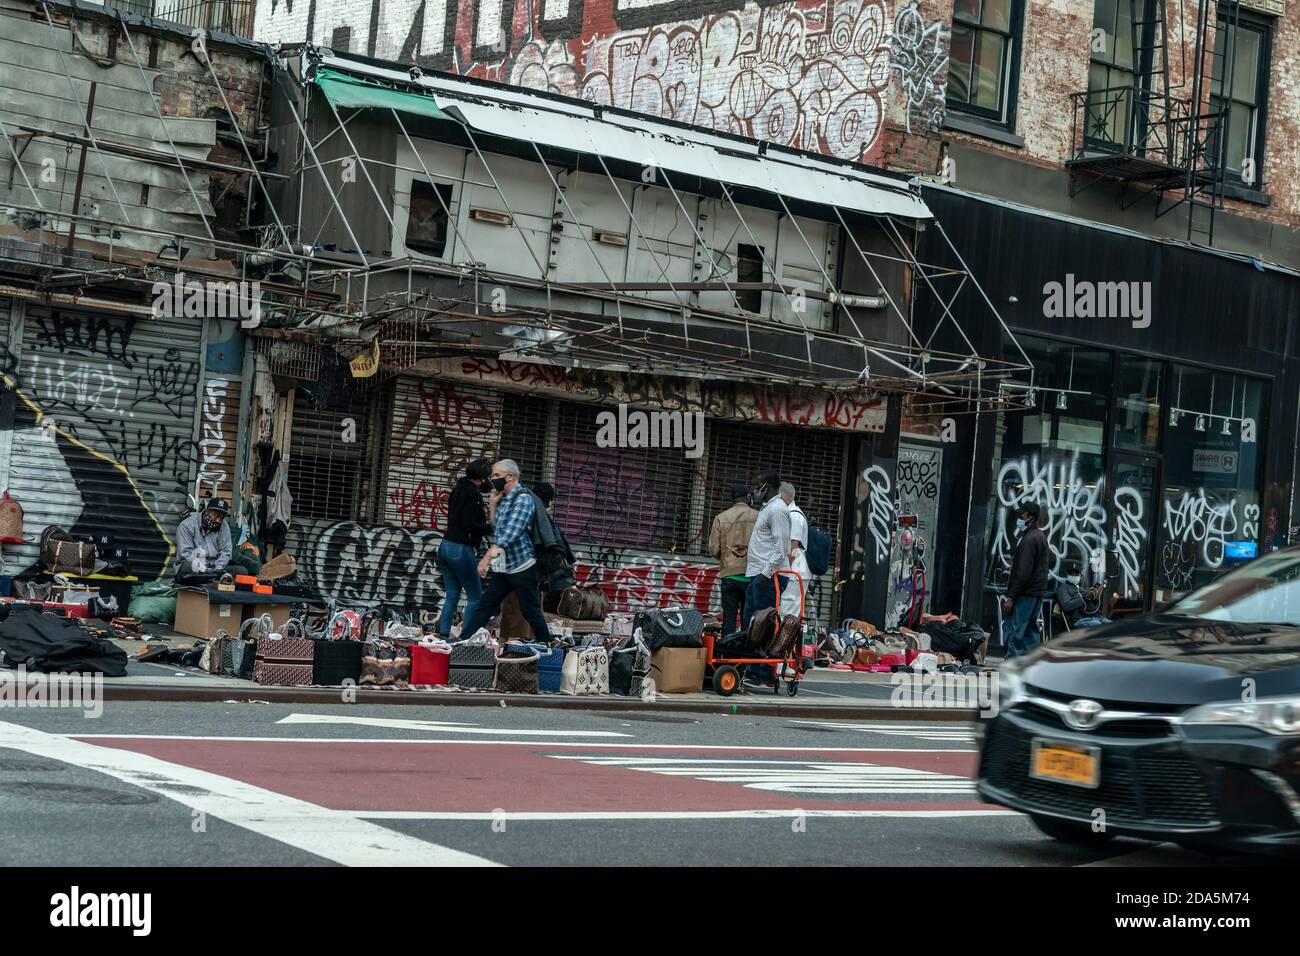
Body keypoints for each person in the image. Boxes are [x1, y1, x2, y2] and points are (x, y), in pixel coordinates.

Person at [458, 459, 551, 643]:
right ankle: (463, 642)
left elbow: (509, 535)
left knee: (530, 610)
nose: (492, 479)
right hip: (505, 567)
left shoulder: (523, 499)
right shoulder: (505, 500)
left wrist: (485, 558)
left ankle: (547, 646)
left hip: (523, 567)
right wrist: (493, 505)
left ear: (510, 477)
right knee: (485, 606)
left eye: (496, 475)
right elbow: (496, 529)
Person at [436, 458, 493, 639]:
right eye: (488, 476)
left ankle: (444, 634)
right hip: (460, 548)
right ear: (482, 478)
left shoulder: (458, 489)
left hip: (445, 546)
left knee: (452, 594)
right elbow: (468, 524)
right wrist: (490, 527)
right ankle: (466, 638)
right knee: (475, 596)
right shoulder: (473, 494)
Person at [742, 468, 791, 629]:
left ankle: (763, 653)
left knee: (762, 623)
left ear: (767, 486)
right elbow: (767, 542)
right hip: (758, 574)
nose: (755, 490)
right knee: (750, 622)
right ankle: (749, 653)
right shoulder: (767, 508)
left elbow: (782, 547)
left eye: (758, 486)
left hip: (768, 576)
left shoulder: (777, 509)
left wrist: (765, 573)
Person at [707, 483, 757, 636]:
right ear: (748, 497)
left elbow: (713, 549)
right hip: (751, 576)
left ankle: (727, 654)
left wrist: (726, 556)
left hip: (729, 575)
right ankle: (745, 653)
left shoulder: (721, 518)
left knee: (729, 618)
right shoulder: (759, 516)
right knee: (748, 618)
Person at [1002, 502, 1049, 657]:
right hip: (1035, 593)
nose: (1019, 518)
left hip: (1025, 594)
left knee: (1017, 633)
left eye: (1022, 515)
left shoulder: (1029, 539)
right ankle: (1033, 667)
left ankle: (1012, 669)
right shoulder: (1040, 536)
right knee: (1030, 632)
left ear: (1031, 518)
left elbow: (1023, 573)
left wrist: (1011, 597)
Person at [174, 497, 232, 583]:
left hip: (215, 568)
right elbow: (186, 554)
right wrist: (205, 569)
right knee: (188, 566)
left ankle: (211, 578)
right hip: (195, 567)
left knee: (241, 571)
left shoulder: (224, 525)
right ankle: (210, 579)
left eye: (221, 518)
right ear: (207, 511)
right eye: (216, 516)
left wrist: (218, 568)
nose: (218, 520)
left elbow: (226, 551)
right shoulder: (186, 526)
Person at [1055, 561, 1111, 629]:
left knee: (1114, 627)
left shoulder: (1081, 589)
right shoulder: (1063, 588)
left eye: (1076, 574)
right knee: (1099, 627)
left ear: (1080, 575)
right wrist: (1085, 598)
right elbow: (1066, 606)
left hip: (1096, 617)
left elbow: (1091, 604)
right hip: (1081, 619)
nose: (1074, 575)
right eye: (1072, 574)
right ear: (1067, 575)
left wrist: (1095, 596)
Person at [782, 483, 810, 620]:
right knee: (790, 610)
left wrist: (786, 569)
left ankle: (785, 640)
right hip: (795, 570)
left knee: (788, 611)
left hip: (794, 571)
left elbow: (793, 546)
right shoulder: (792, 514)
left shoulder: (794, 516)